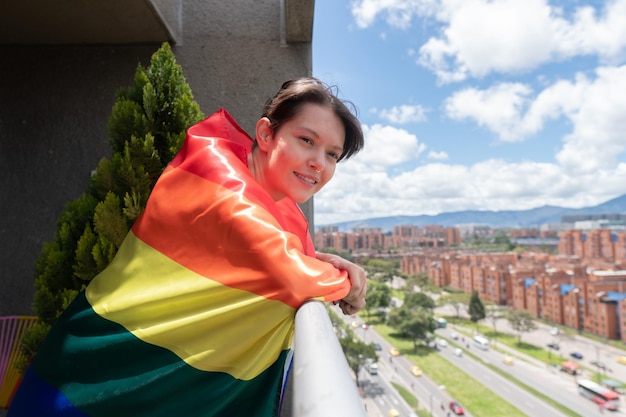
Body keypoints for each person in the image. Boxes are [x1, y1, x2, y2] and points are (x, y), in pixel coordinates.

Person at [8, 77, 366, 417]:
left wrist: (323, 260)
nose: (319, 162)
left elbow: (264, 255)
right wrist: (350, 281)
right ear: (266, 133)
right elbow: (291, 274)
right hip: (102, 372)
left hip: (140, 375)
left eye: (332, 154)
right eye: (307, 140)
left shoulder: (275, 207)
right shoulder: (222, 182)